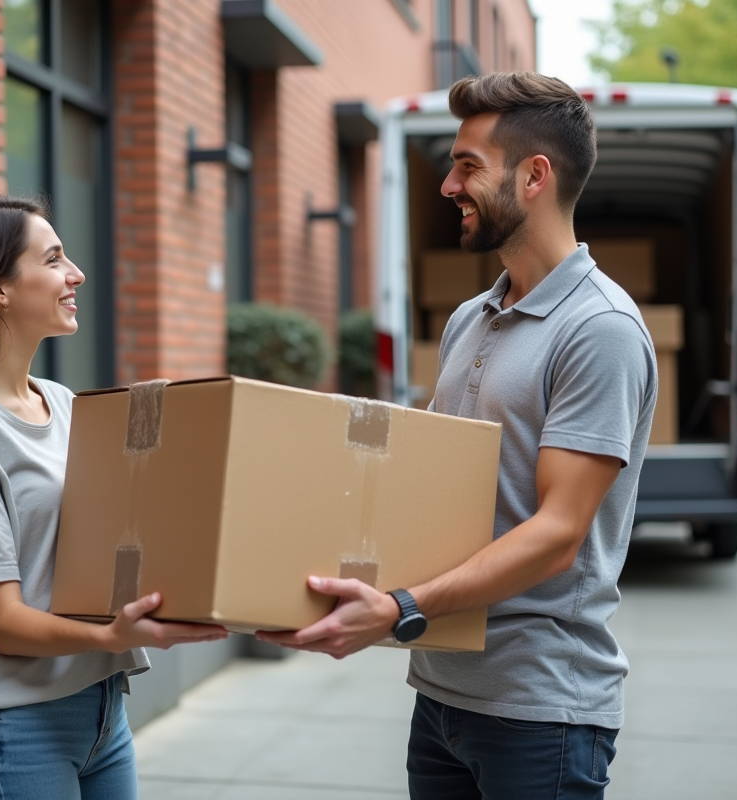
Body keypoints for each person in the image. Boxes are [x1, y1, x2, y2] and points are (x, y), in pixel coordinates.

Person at [258, 73, 658, 799]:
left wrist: (402, 608)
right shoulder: (469, 319)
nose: (448, 185)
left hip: (541, 709)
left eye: (468, 165)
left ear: (535, 176)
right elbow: (435, 498)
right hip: (443, 693)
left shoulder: (599, 329)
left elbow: (558, 533)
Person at [0, 196, 227, 800]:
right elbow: (3, 624)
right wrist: (114, 634)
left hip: (103, 713)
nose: (76, 273)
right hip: (16, 730)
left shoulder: (61, 403)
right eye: (54, 259)